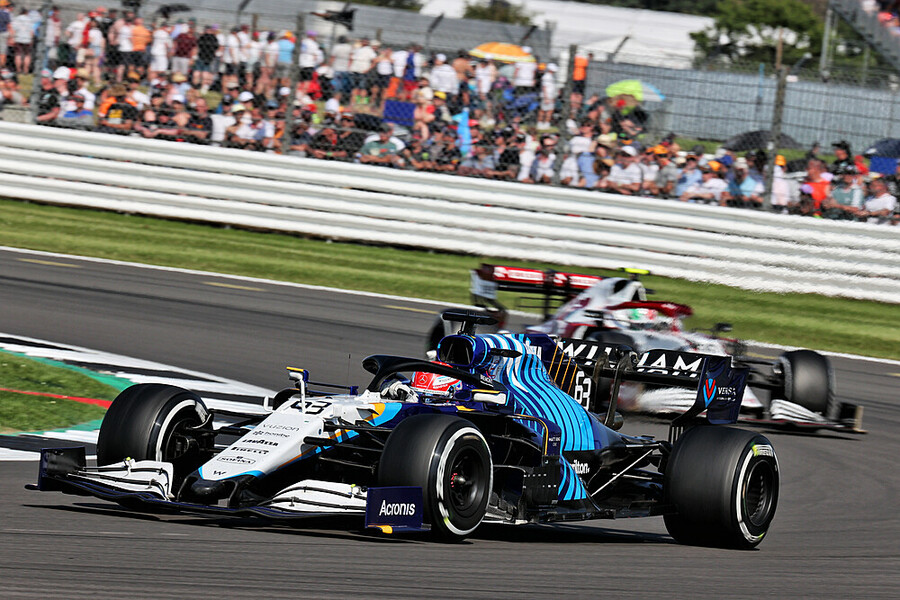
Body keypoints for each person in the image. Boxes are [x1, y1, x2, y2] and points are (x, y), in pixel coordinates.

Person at [537, 63, 558, 130]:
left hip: (551, 96)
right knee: (543, 110)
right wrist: (546, 98)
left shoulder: (551, 77)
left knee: (550, 111)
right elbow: (544, 87)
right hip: (547, 96)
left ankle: (546, 123)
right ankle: (540, 123)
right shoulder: (546, 76)